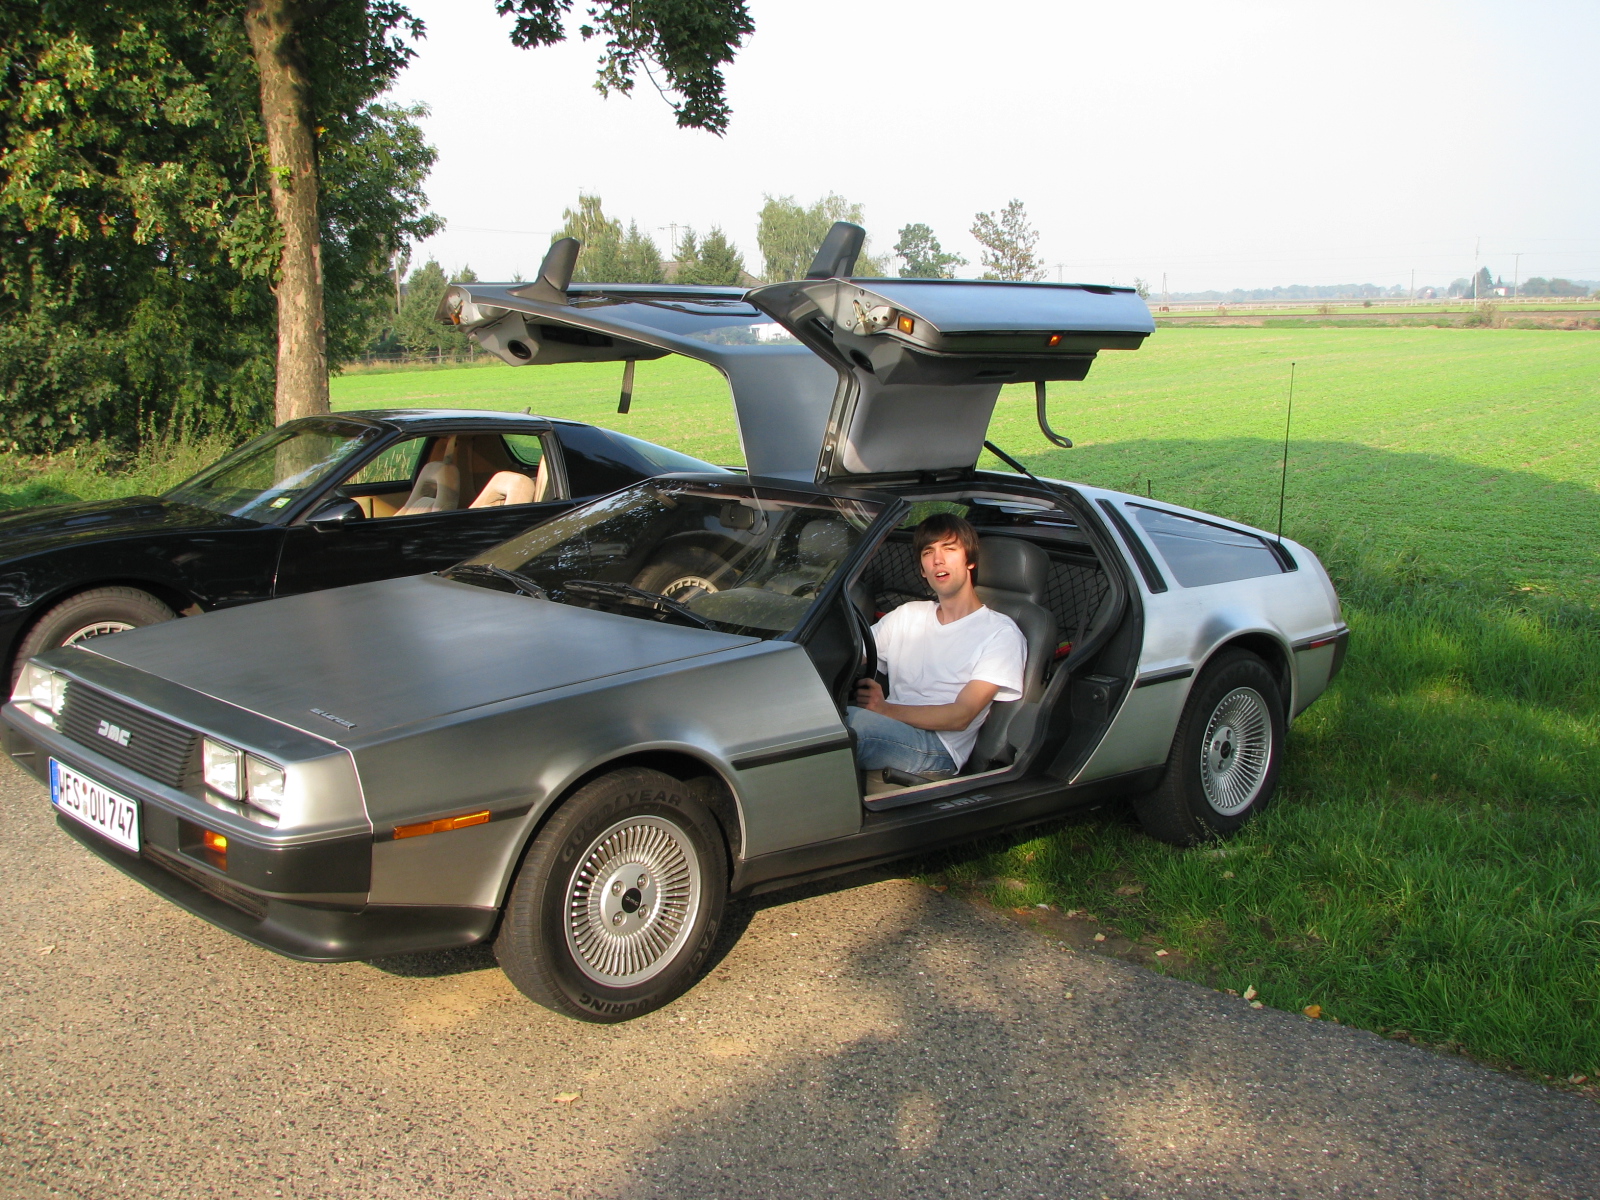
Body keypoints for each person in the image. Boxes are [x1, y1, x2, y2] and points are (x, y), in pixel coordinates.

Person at [848, 513, 1027, 780]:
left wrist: (884, 709)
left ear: (970, 560)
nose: (938, 559)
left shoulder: (1000, 633)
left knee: (843, 730)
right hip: (890, 725)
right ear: (923, 569)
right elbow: (849, 653)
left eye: (949, 548)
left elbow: (961, 716)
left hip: (938, 746)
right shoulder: (908, 615)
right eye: (928, 552)